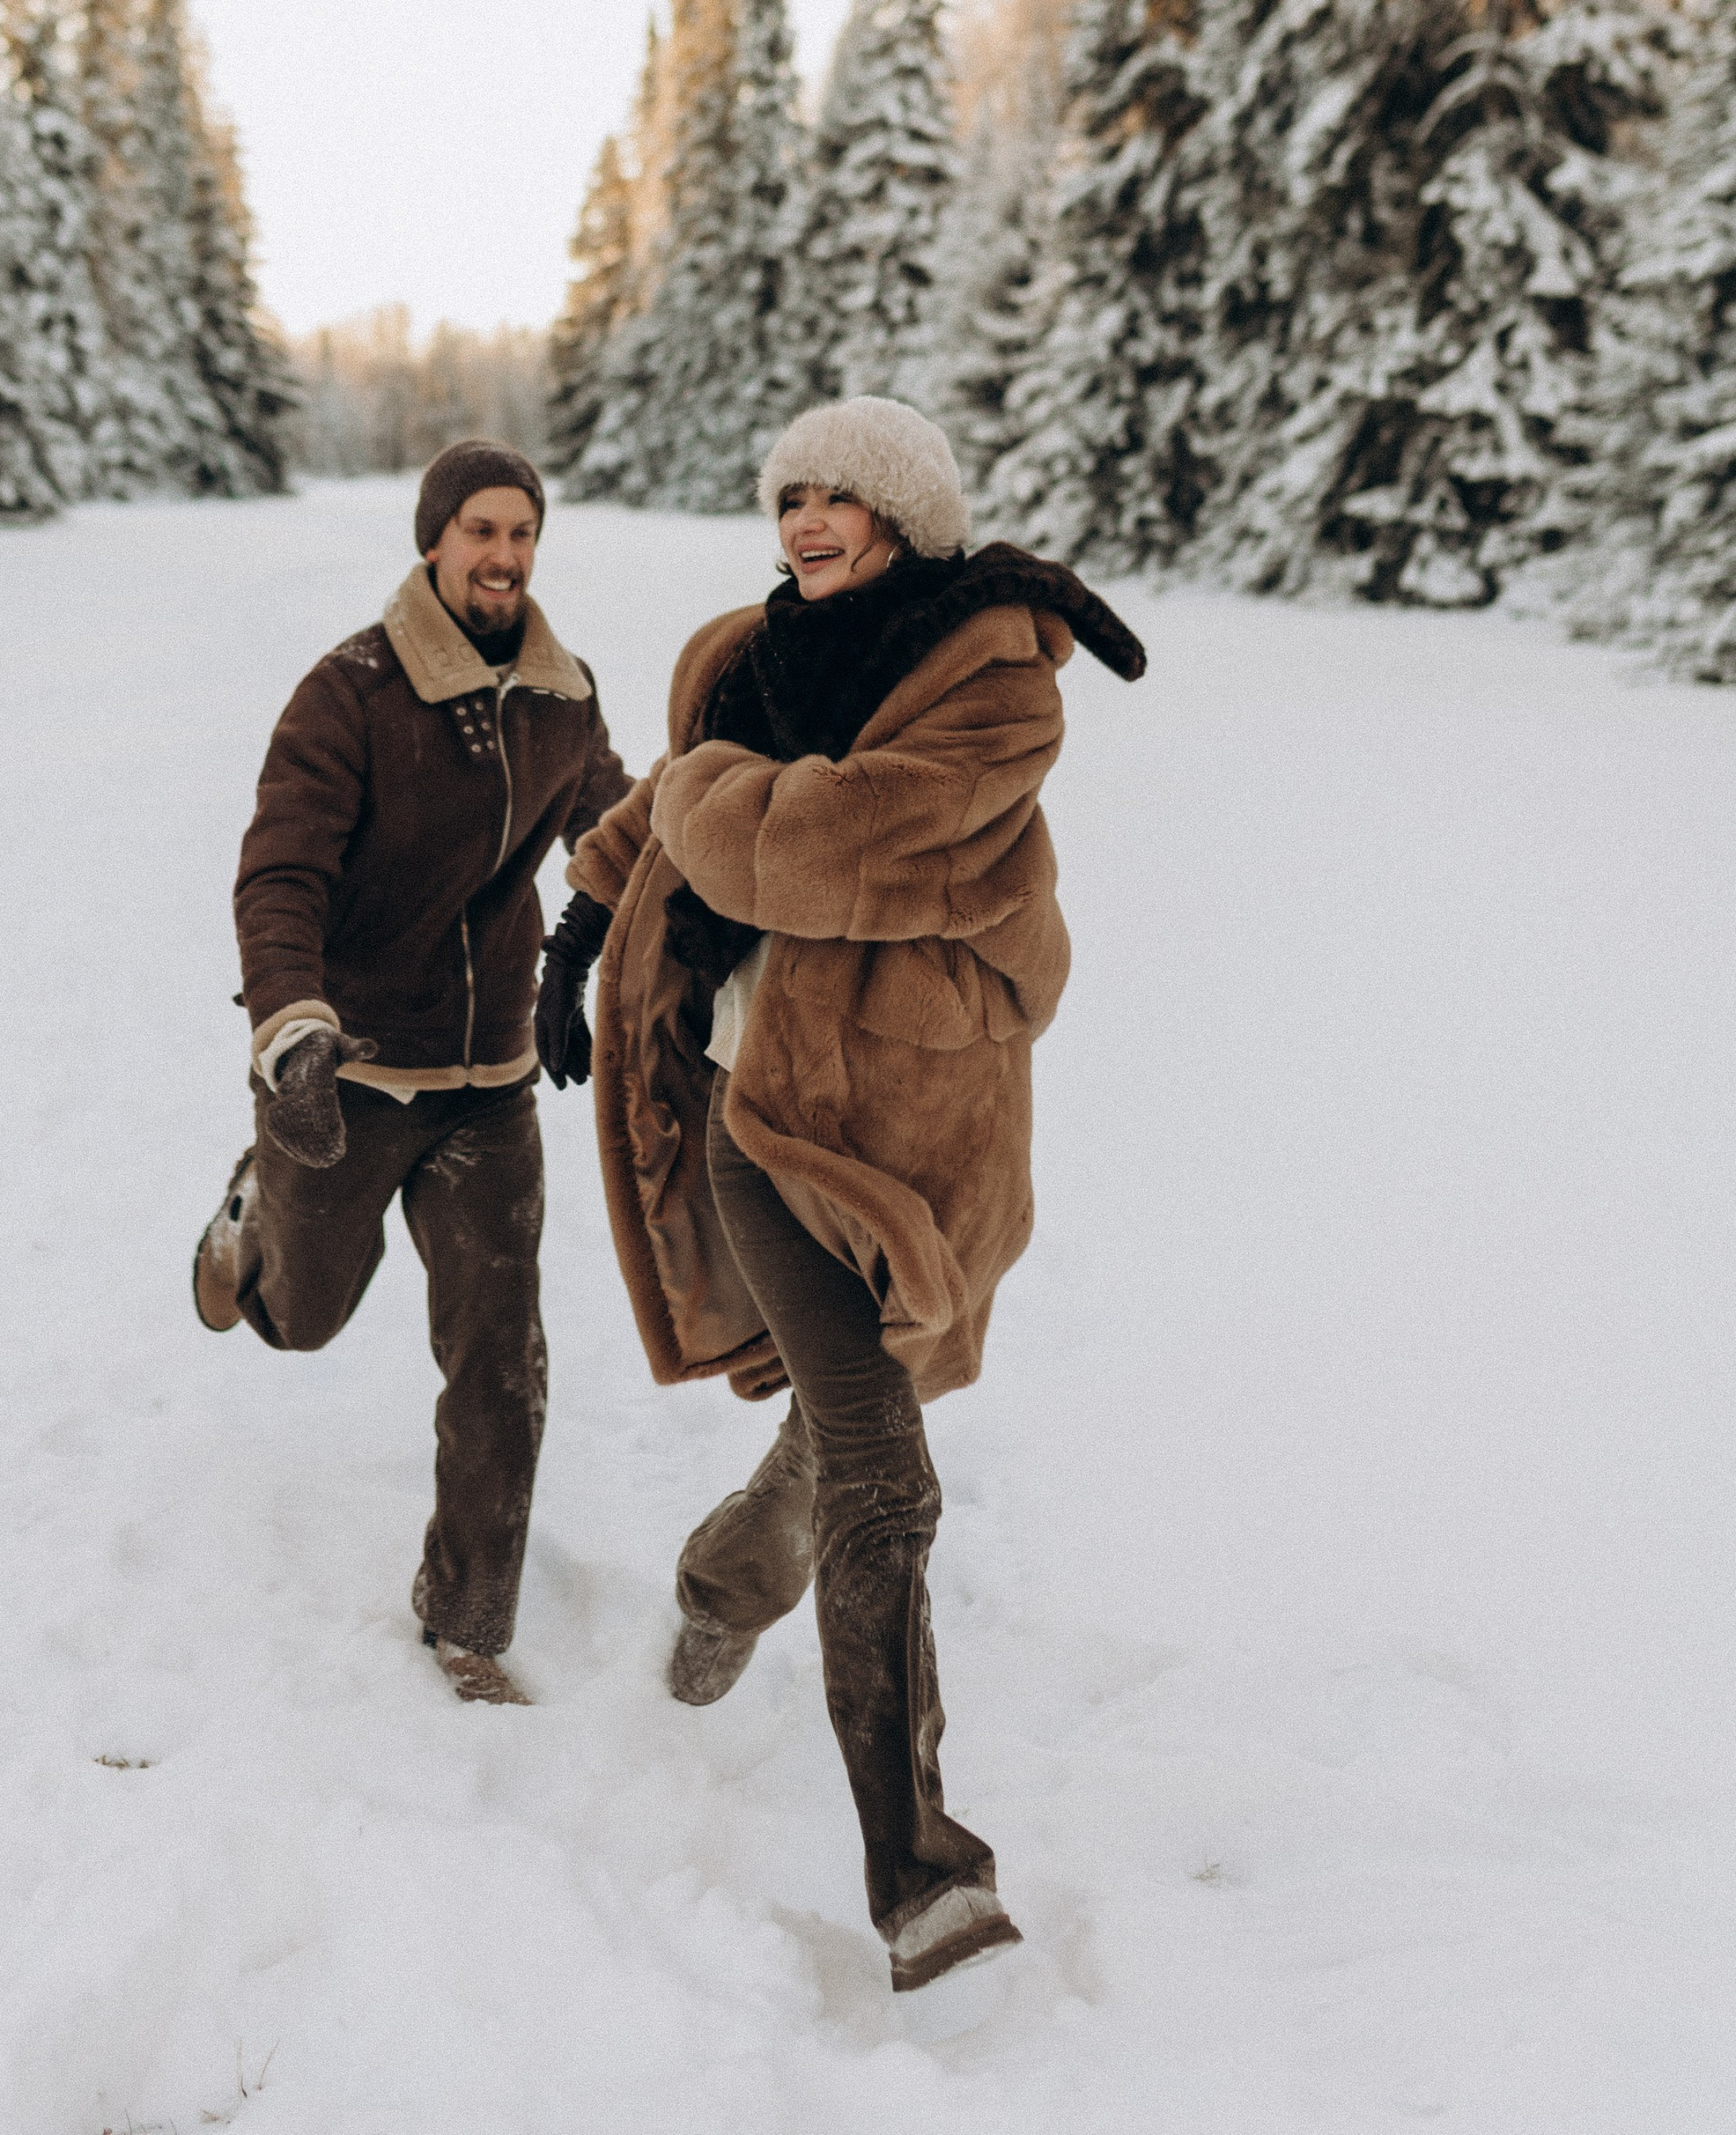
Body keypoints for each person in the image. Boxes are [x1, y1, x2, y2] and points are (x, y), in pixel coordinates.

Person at [533, 395, 1144, 1988]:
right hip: (767, 1127)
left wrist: (699, 805)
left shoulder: (994, 689)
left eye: (840, 496)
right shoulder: (750, 657)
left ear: (909, 518)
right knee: (885, 1469)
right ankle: (926, 1883)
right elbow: (676, 800)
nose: (806, 519)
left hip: (919, 1146)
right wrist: (581, 926)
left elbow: (792, 854)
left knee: (829, 1431)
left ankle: (717, 1587)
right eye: (790, 491)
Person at [192, 440, 629, 1705]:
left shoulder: (563, 694)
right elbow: (280, 874)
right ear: (434, 541)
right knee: (303, 1319)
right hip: (350, 1065)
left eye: (522, 533)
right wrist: (292, 1029)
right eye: (479, 530)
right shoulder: (352, 692)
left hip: (487, 1079)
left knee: (501, 1352)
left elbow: (614, 831)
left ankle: (469, 1624)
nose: (503, 555)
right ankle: (253, 1213)